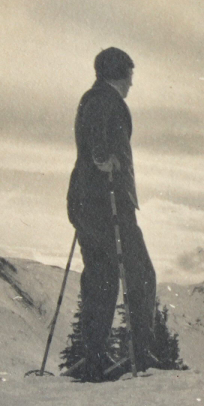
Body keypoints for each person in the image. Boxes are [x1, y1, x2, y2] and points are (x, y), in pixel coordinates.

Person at [66, 47, 156, 381]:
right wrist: (105, 158)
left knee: (101, 280)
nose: (132, 82)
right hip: (109, 203)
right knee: (141, 275)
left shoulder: (93, 98)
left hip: (87, 202)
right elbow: (96, 138)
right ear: (120, 74)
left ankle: (94, 360)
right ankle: (141, 357)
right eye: (130, 75)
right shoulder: (105, 99)